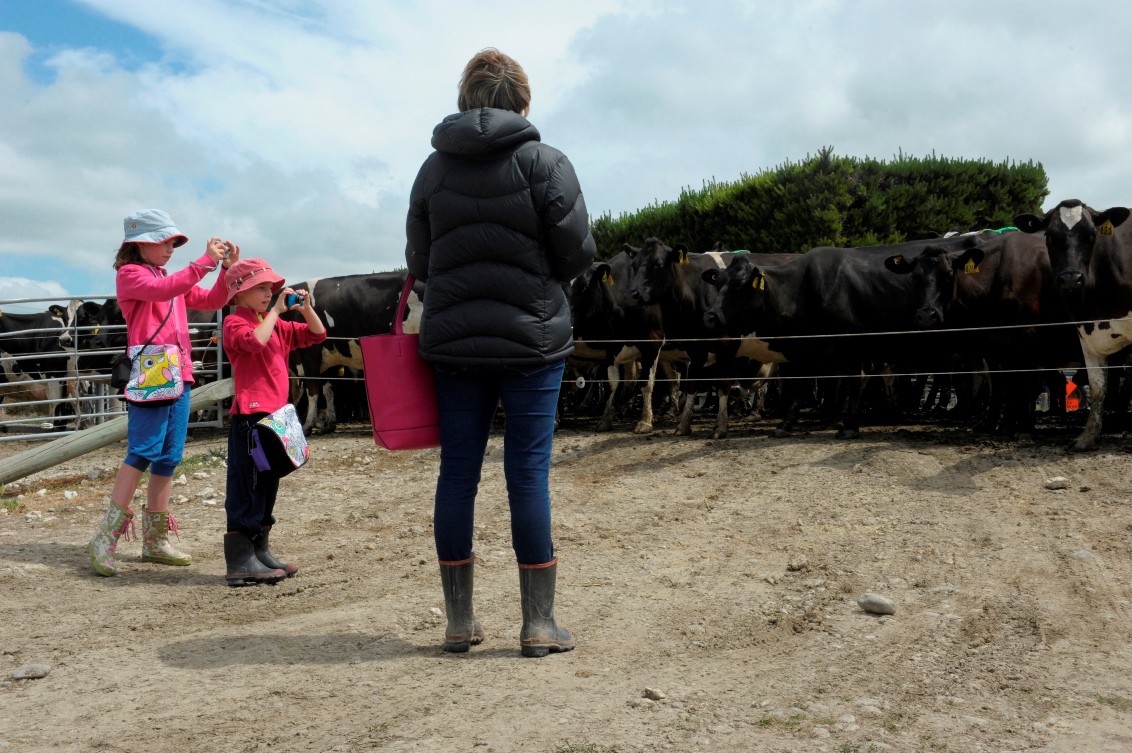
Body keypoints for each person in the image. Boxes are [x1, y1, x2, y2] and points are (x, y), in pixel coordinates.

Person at [405, 48, 596, 657]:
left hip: (456, 345)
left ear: (465, 99)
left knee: (457, 473)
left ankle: (459, 622)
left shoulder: (432, 171)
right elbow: (577, 256)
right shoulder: (547, 164)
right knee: (527, 473)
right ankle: (538, 624)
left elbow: (421, 263)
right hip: (533, 341)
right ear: (523, 100)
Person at [89, 209, 236, 576]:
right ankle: (105, 539)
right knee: (142, 450)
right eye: (165, 242)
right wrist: (205, 261)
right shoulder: (131, 275)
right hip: (154, 369)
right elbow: (166, 289)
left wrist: (225, 271)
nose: (171, 248)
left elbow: (214, 300)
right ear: (140, 244)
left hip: (178, 372)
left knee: (169, 455)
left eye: (173, 242)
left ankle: (153, 540)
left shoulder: (168, 278)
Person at [220, 258, 326, 587]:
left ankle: (259, 552)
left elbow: (317, 334)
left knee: (268, 482)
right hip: (250, 417)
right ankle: (241, 560)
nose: (269, 293)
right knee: (247, 485)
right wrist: (278, 313)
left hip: (275, 415)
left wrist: (306, 308)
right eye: (261, 288)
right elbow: (254, 342)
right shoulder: (234, 324)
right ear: (239, 292)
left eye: (270, 287)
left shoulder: (272, 321)